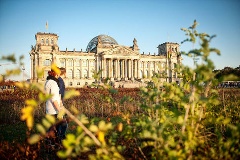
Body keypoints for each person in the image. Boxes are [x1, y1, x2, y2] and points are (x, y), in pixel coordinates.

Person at [44, 69, 62, 149]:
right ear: (56, 74)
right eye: (59, 74)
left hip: (49, 109)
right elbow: (54, 99)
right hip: (54, 110)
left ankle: (48, 145)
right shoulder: (54, 83)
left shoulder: (47, 82)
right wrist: (60, 111)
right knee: (54, 129)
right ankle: (53, 145)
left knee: (50, 128)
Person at [57, 67, 68, 140]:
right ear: (64, 73)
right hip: (59, 103)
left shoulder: (59, 80)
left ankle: (59, 135)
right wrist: (61, 105)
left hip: (59, 102)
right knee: (63, 122)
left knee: (60, 121)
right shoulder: (60, 81)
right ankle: (61, 136)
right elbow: (59, 93)